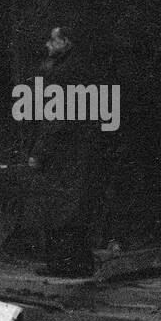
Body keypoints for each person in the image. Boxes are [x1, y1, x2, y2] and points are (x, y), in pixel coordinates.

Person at [27, 24, 98, 277]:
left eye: (51, 40)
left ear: (65, 42)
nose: (47, 45)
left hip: (64, 151)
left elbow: (56, 117)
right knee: (74, 207)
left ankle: (64, 266)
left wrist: (39, 151)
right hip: (80, 147)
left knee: (60, 208)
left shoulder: (63, 73)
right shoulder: (81, 67)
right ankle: (77, 264)